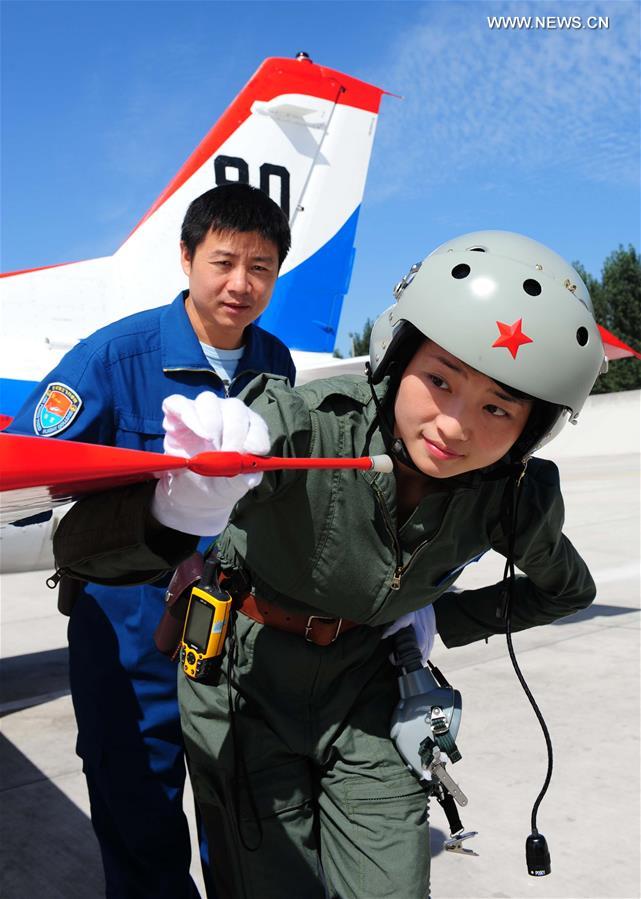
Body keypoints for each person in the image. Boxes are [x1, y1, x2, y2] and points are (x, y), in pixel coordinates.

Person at [52, 231, 604, 898]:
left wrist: (437, 615)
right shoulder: (305, 428)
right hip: (245, 679)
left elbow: (566, 589)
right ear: (398, 357)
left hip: (366, 691)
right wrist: (179, 506)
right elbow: (77, 550)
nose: (455, 425)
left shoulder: (510, 496)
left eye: (497, 407)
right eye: (438, 379)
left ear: (530, 428)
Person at [8, 183, 295, 899]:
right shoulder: (112, 356)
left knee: (242, 811)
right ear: (187, 257)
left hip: (240, 628)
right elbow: (29, 470)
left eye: (260, 267)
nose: (240, 284)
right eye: (224, 261)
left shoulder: (277, 365)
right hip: (128, 625)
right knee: (138, 814)